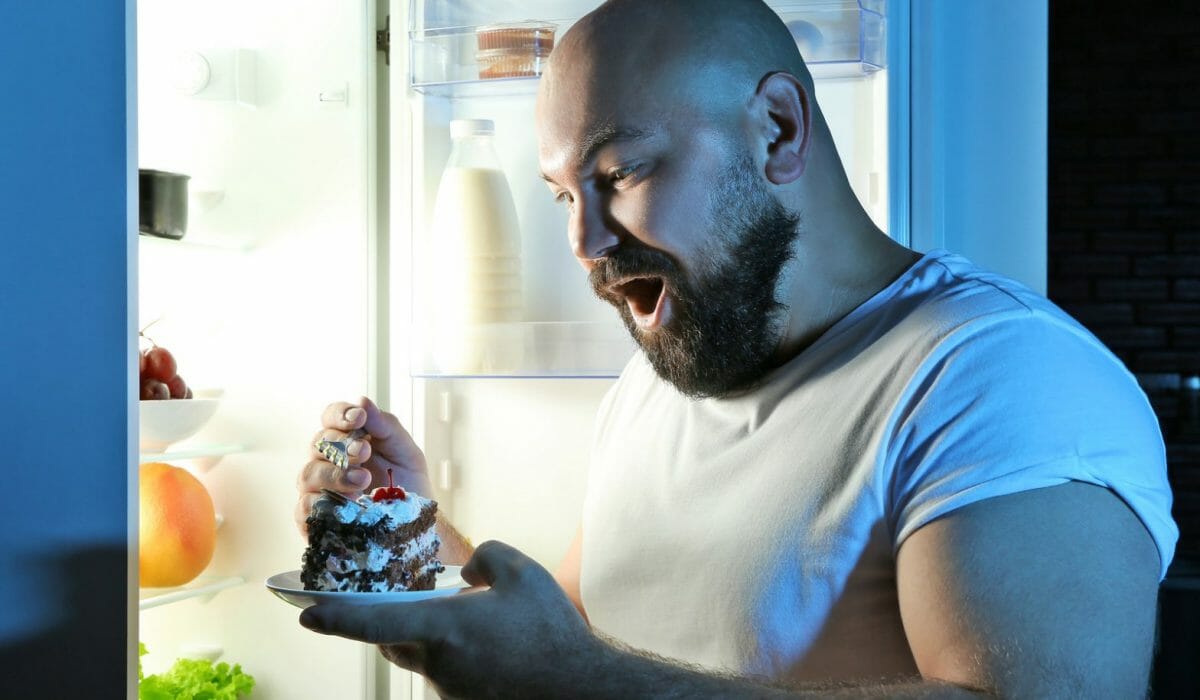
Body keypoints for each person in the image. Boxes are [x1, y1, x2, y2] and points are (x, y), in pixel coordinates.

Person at [294, 0, 1177, 696]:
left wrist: (575, 683)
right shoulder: (659, 381)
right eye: (566, 195)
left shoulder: (1001, 377)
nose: (586, 243)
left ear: (778, 130)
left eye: (620, 173)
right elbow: (559, 646)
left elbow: (574, 677)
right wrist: (400, 535)